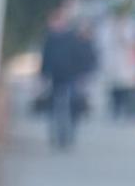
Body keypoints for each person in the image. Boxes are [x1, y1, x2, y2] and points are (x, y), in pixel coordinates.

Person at [39, 8, 96, 149]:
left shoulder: (72, 38)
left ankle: (68, 134)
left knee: (71, 105)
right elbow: (45, 58)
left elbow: (81, 57)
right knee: (54, 108)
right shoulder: (50, 39)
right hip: (55, 77)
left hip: (71, 76)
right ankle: (56, 135)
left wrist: (81, 74)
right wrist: (43, 75)